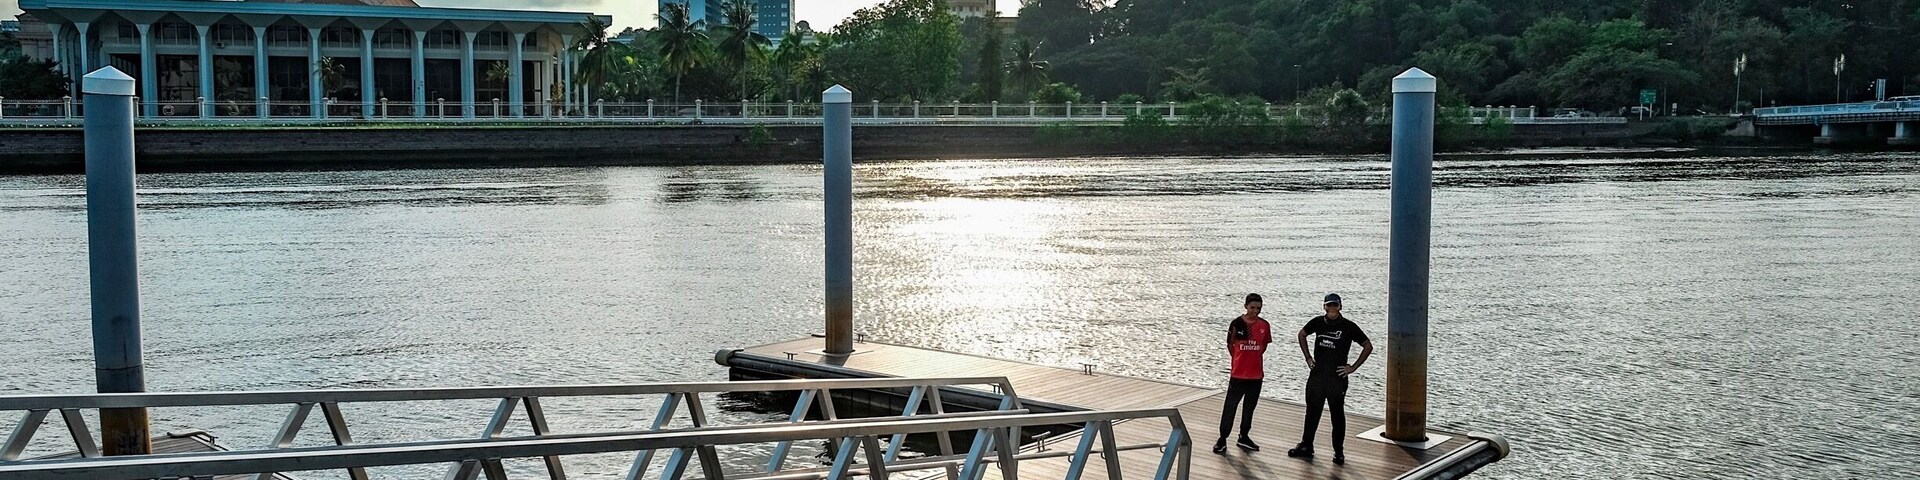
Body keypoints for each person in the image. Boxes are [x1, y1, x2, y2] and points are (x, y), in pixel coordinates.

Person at [1287, 293, 1372, 465]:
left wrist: (1352, 367)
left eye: (1335, 305)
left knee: (1337, 415)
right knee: (1312, 412)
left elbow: (1367, 346)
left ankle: (1338, 452)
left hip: (1337, 378)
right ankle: (1306, 445)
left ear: (1340, 307)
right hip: (1317, 376)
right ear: (1324, 307)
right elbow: (1302, 334)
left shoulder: (1348, 326)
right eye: (1329, 306)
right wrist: (1308, 358)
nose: (1332, 309)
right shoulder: (1317, 322)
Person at [1214, 293, 1272, 454]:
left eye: (1258, 308)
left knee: (1249, 408)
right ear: (1246, 306)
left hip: (1256, 376)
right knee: (1230, 407)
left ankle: (1244, 436)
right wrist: (1239, 360)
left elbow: (1263, 346)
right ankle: (1222, 439)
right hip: (1238, 375)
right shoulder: (1236, 324)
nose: (1255, 311)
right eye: (1252, 307)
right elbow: (1230, 345)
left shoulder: (1264, 325)